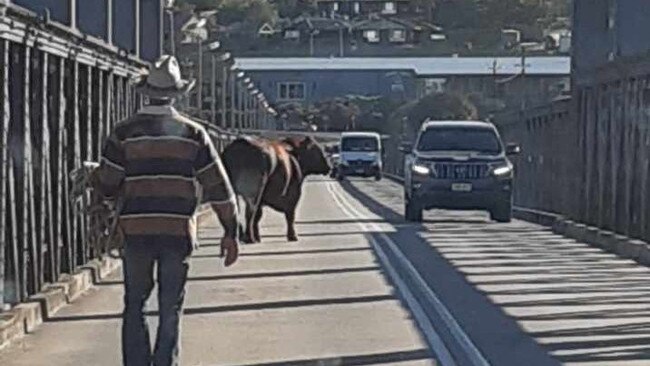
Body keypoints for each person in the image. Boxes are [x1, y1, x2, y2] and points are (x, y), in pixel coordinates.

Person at [96, 55, 239, 366]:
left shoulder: (123, 133)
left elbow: (107, 183)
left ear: (144, 91)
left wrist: (109, 209)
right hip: (177, 232)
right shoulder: (193, 133)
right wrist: (231, 231)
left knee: (134, 303)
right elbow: (218, 186)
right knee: (170, 306)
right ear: (178, 94)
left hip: (136, 232)